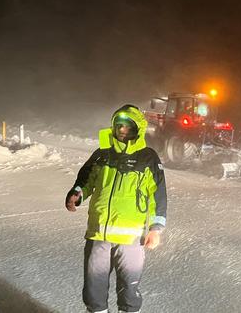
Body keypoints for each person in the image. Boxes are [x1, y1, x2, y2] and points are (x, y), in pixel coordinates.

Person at [65, 104, 167, 313]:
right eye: (118, 126)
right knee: (94, 290)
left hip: (131, 239)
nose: (122, 131)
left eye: (127, 126)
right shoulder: (102, 154)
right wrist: (77, 194)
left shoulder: (148, 157)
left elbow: (158, 194)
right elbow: (86, 179)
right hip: (98, 234)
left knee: (129, 291)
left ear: (137, 129)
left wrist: (156, 228)